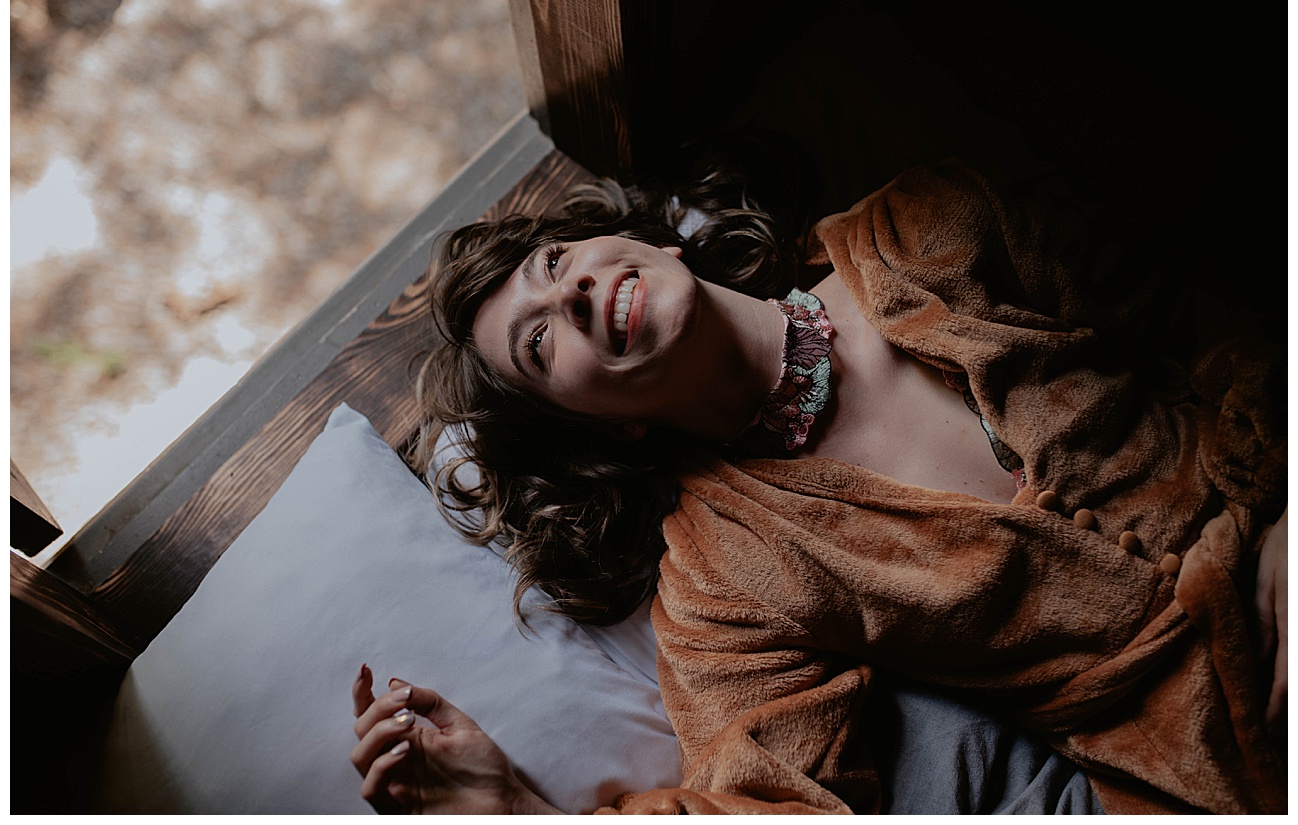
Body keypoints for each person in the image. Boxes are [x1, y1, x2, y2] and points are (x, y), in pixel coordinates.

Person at [350, 158, 1287, 814]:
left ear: (649, 244)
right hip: (1220, 759)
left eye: (554, 265)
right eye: (542, 342)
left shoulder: (924, 224)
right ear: (603, 423)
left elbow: (1206, 299)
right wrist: (519, 809)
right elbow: (770, 803)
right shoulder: (722, 574)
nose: (573, 295)